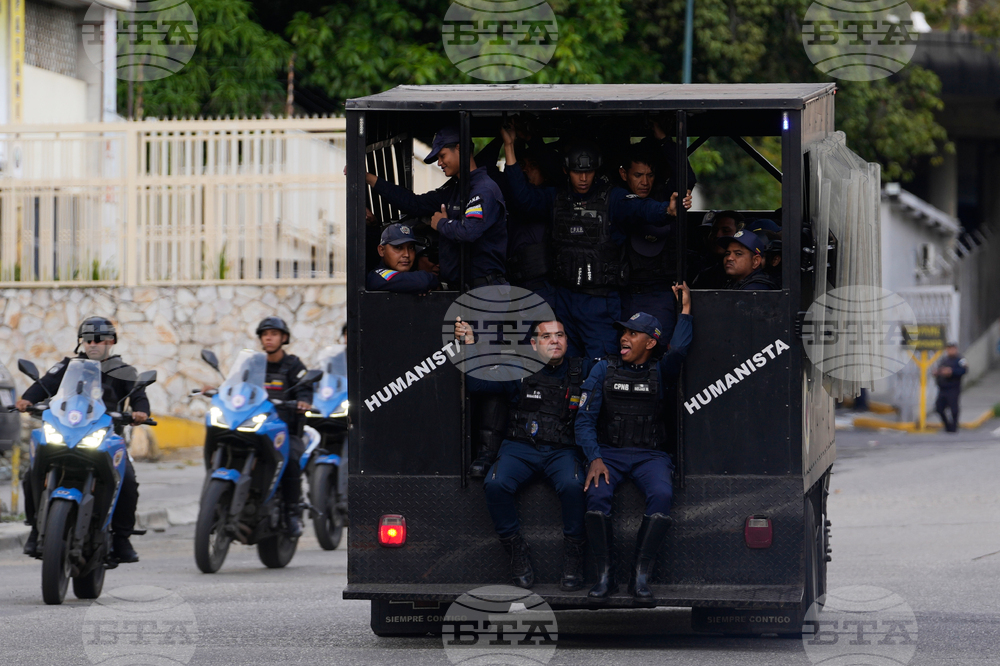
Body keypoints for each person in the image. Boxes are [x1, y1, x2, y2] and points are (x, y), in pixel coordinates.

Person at [501, 126, 680, 358]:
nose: (583, 178)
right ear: (566, 170)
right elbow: (521, 199)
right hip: (564, 298)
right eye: (577, 172)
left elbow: (639, 207)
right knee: (567, 364)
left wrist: (665, 209)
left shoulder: (612, 197)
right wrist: (508, 147)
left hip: (600, 301)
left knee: (602, 364)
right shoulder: (555, 197)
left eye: (588, 171)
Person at [455, 317, 594, 591]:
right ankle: (516, 551)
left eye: (560, 335)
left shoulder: (583, 369)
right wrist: (469, 345)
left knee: (574, 485)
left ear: (567, 340)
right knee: (495, 484)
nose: (555, 340)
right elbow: (477, 386)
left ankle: (573, 556)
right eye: (546, 337)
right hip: (521, 448)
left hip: (561, 450)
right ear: (533, 344)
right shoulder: (517, 370)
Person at [575, 284, 693, 601]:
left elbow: (679, 350)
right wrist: (594, 458)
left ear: (651, 341)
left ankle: (639, 578)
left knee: (662, 493)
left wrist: (684, 312)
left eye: (633, 333)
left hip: (649, 455)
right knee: (596, 495)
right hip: (609, 454)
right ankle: (605, 578)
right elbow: (584, 419)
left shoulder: (661, 370)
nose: (624, 338)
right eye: (623, 332)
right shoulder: (603, 369)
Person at [17, 317, 149, 563]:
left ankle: (121, 539)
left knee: (128, 482)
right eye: (88, 340)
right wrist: (27, 400)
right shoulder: (68, 366)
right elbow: (45, 385)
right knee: (30, 475)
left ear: (111, 341)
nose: (93, 344)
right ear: (81, 342)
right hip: (67, 431)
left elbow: (138, 396)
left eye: (99, 339)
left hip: (107, 437)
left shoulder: (125, 371)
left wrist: (141, 412)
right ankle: (36, 530)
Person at [366, 125, 507, 289]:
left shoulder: (483, 190)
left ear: (459, 148)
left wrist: (441, 224)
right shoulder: (454, 191)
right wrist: (369, 178)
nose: (440, 163)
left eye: (442, 156)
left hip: (486, 290)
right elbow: (414, 204)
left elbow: (469, 231)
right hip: (465, 291)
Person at [618, 144, 693, 341]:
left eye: (650, 175)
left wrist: (663, 139)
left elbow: (687, 179)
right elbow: (640, 209)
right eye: (638, 175)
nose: (645, 182)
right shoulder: (618, 200)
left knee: (658, 349)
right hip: (625, 293)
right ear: (624, 174)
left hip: (660, 292)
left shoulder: (665, 196)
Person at [256, 316, 314, 536]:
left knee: (289, 461)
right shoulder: (255, 364)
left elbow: (305, 387)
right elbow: (239, 384)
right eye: (265, 334)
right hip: (258, 428)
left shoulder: (293, 365)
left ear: (284, 338)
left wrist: (303, 401)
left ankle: (292, 513)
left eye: (273, 334)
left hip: (286, 431)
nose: (268, 338)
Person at [366, 223, 440, 294]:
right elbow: (423, 281)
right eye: (398, 247)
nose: (407, 254)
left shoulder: (411, 275)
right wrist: (424, 283)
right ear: (381, 250)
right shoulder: (377, 276)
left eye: (411, 248)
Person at [690, 210, 744, 289]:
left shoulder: (746, 272)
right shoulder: (705, 275)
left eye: (726, 231)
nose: (718, 235)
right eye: (714, 231)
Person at [933, 342, 968, 433]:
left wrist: (952, 372)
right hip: (943, 388)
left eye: (952, 349)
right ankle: (947, 425)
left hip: (953, 387)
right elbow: (940, 370)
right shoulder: (944, 360)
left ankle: (954, 427)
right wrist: (937, 373)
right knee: (939, 408)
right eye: (949, 349)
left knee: (953, 409)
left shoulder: (960, 360)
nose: (950, 351)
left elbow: (964, 370)